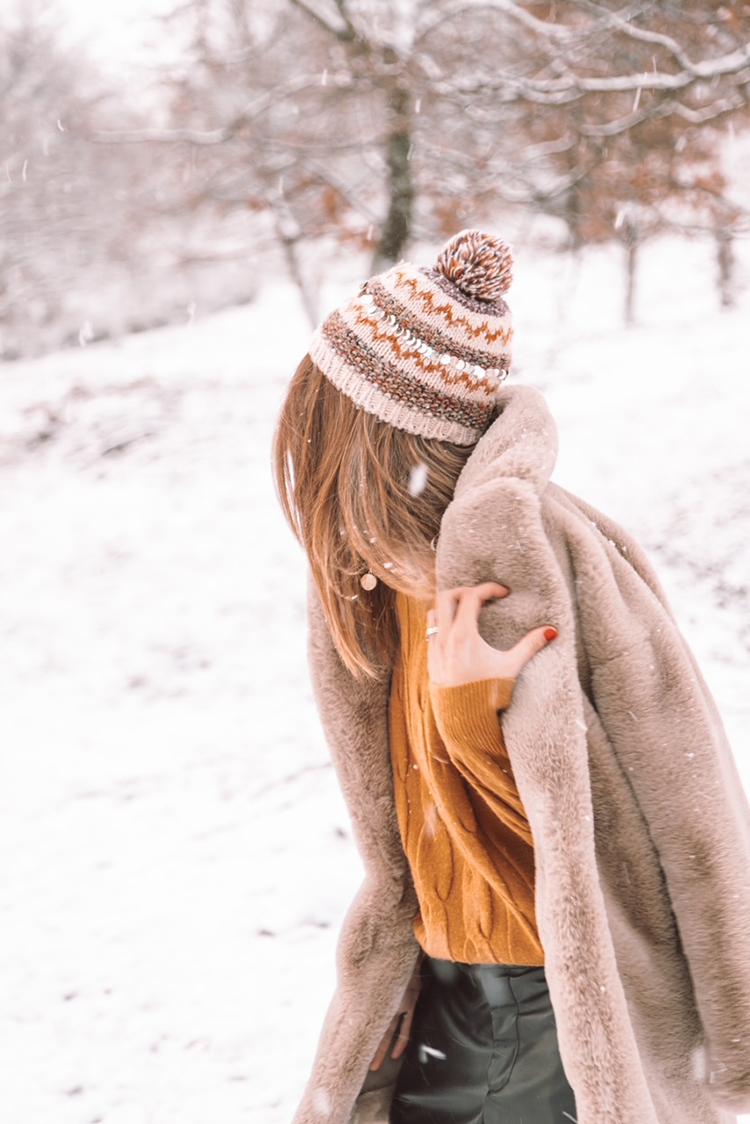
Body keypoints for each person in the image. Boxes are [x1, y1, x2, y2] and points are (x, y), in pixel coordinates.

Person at [272, 230, 750, 1124]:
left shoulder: (538, 560)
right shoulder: (376, 583)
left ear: (369, 439)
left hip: (555, 1006)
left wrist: (471, 718)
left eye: (318, 422)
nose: (301, 450)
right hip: (440, 994)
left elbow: (657, 813)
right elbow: (413, 831)